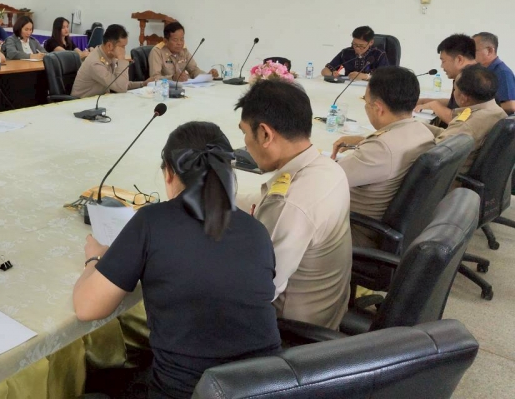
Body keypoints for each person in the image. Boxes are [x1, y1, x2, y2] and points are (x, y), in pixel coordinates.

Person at [73, 122, 281, 399]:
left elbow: (87, 308)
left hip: (185, 392)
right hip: (265, 389)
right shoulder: (256, 230)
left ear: (169, 173)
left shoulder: (152, 222)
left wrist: (95, 258)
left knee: (97, 384)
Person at [236, 80, 351, 329]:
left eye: (244, 132)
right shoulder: (326, 167)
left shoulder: (289, 204)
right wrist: (220, 198)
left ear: (265, 134)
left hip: (291, 329)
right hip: (327, 307)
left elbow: (254, 292)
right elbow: (262, 202)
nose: (244, 143)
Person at [331, 67, 435, 248]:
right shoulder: (423, 132)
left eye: (366, 102)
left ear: (378, 108)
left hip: (356, 230)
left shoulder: (380, 149)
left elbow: (326, 178)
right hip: (392, 228)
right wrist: (363, 141)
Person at [428, 65, 507, 175]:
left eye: (455, 89)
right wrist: (419, 126)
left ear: (464, 98)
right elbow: (451, 134)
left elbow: (433, 154)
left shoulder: (468, 125)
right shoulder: (497, 111)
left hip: (451, 179)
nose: (454, 92)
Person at [71, 24, 152, 98]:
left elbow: (118, 82)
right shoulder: (95, 63)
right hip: (81, 103)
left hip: (98, 100)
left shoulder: (108, 56)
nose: (124, 50)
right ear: (109, 45)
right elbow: (121, 87)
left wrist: (143, 84)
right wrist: (121, 59)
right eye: (122, 47)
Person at [414, 34, 477, 125]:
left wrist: (434, 105)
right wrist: (424, 101)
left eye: (443, 61)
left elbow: (463, 122)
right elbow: (454, 105)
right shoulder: (469, 75)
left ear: (459, 59)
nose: (442, 66)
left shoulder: (473, 81)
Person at [149, 21, 219, 81]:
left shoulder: (184, 51)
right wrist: (172, 78)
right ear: (165, 41)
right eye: (175, 40)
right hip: (166, 89)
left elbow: (194, 70)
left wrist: (207, 75)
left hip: (186, 87)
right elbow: (154, 78)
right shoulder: (157, 52)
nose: (179, 43)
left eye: (182, 39)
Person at [321, 26, 389, 80]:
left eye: (361, 46)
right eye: (354, 44)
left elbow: (385, 77)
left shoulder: (379, 54)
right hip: (348, 87)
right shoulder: (346, 52)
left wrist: (366, 76)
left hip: (370, 88)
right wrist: (332, 74)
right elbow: (325, 70)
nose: (357, 48)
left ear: (371, 42)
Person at [473, 32, 515, 114]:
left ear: (489, 51)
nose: (470, 55)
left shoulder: (502, 73)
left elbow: (510, 106)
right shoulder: (483, 71)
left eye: (473, 51)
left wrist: (478, 109)